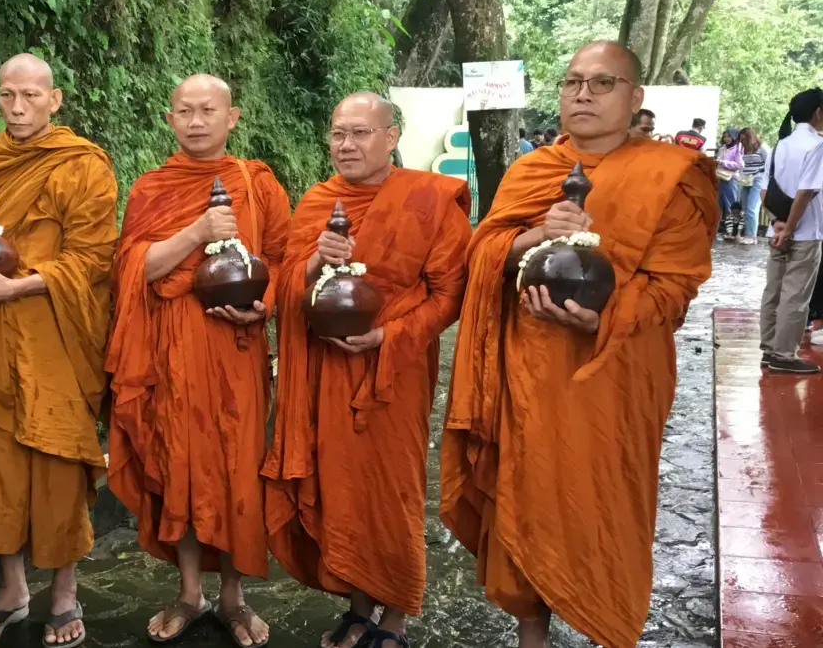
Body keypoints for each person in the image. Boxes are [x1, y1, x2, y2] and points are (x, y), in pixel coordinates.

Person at [440, 41, 718, 648]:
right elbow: (483, 251)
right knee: (526, 497)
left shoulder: (671, 175)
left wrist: (602, 320)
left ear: (635, 97)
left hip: (613, 373)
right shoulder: (530, 169)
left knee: (606, 507)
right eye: (572, 83)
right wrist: (536, 233)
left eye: (602, 83)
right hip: (530, 372)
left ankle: (606, 627)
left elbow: (675, 287)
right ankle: (531, 637)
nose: (583, 94)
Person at [262, 92, 473, 648]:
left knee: (392, 487)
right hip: (326, 373)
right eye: (338, 133)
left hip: (393, 374)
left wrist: (389, 336)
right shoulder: (316, 202)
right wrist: (313, 260)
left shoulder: (429, 199)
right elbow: (283, 285)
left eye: (360, 133)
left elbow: (450, 294)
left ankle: (396, 615)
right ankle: (358, 607)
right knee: (339, 486)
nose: (346, 145)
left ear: (391, 137)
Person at [0, 53, 119, 648]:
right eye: (7, 95)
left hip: (53, 334)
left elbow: (93, 259)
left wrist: (16, 285)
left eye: (30, 96)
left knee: (58, 462)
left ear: (54, 100)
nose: (17, 107)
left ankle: (64, 592)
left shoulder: (84, 166)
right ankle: (12, 590)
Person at [106, 74, 291, 647]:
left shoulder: (257, 184)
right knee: (178, 463)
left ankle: (234, 597)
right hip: (170, 351)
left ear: (231, 118)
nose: (195, 120)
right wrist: (197, 230)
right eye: (183, 111)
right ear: (169, 120)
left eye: (207, 110)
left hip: (234, 348)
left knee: (237, 465)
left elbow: (285, 260)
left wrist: (262, 306)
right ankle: (190, 592)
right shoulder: (150, 189)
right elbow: (136, 269)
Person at [759, 88, 823, 373]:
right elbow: (805, 192)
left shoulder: (779, 145)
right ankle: (784, 355)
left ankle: (769, 348)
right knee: (795, 297)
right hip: (805, 233)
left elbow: (765, 191)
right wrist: (792, 227)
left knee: (773, 291)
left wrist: (777, 223)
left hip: (779, 231)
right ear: (818, 112)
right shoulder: (817, 146)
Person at [737, 127, 770, 245]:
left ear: (750, 138)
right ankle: (748, 234)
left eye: (744, 139)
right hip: (745, 180)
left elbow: (769, 164)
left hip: (758, 180)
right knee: (745, 209)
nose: (742, 142)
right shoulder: (742, 149)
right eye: (741, 140)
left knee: (752, 208)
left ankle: (752, 236)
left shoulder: (762, 148)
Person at [716, 127, 745, 240]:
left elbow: (740, 165)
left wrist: (723, 162)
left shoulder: (738, 148)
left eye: (729, 136)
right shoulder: (722, 148)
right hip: (720, 179)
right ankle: (716, 231)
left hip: (730, 179)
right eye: (725, 136)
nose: (726, 138)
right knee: (718, 206)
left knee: (731, 207)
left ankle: (732, 233)